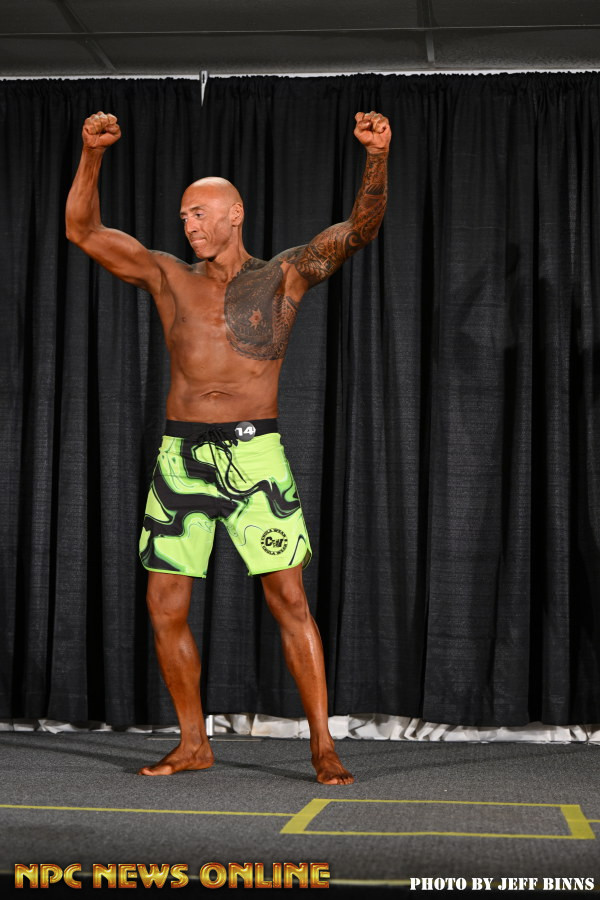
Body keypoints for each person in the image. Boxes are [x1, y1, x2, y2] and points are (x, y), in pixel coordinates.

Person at [65, 107, 391, 784]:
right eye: (183, 215)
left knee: (289, 600)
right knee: (164, 606)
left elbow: (358, 231)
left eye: (199, 213)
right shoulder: (167, 276)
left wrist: (377, 157)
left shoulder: (285, 275)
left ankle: (323, 745)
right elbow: (83, 231)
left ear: (234, 214)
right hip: (181, 458)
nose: (188, 224)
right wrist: (92, 156)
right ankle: (194, 742)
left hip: (254, 454)